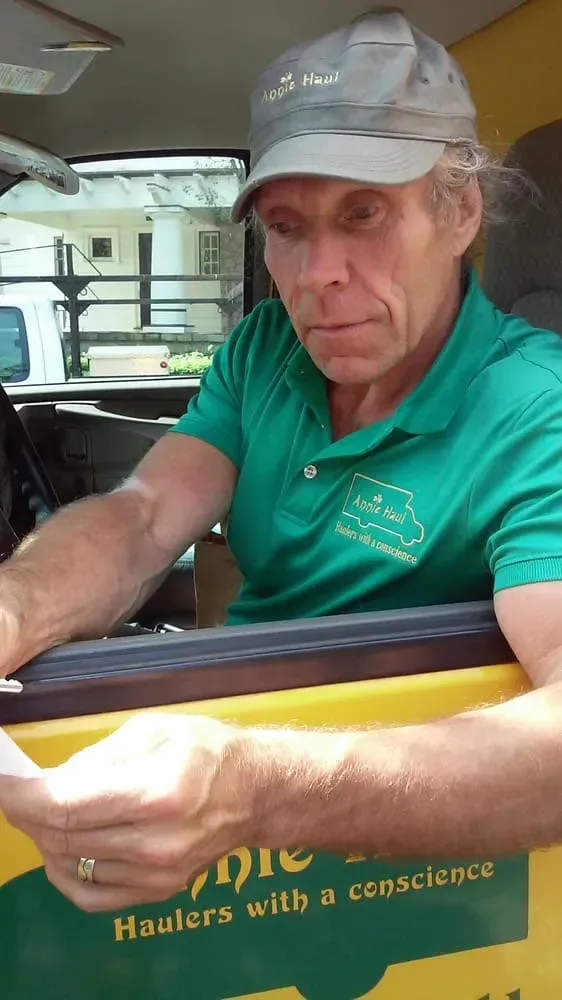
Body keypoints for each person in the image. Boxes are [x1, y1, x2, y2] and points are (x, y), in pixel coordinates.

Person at [1, 8, 562, 914]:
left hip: (408, 871)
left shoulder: (540, 411)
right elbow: (144, 516)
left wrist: (256, 791)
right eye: (288, 227)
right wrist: (15, 604)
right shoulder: (267, 349)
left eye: (364, 213)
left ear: (460, 211)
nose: (316, 274)